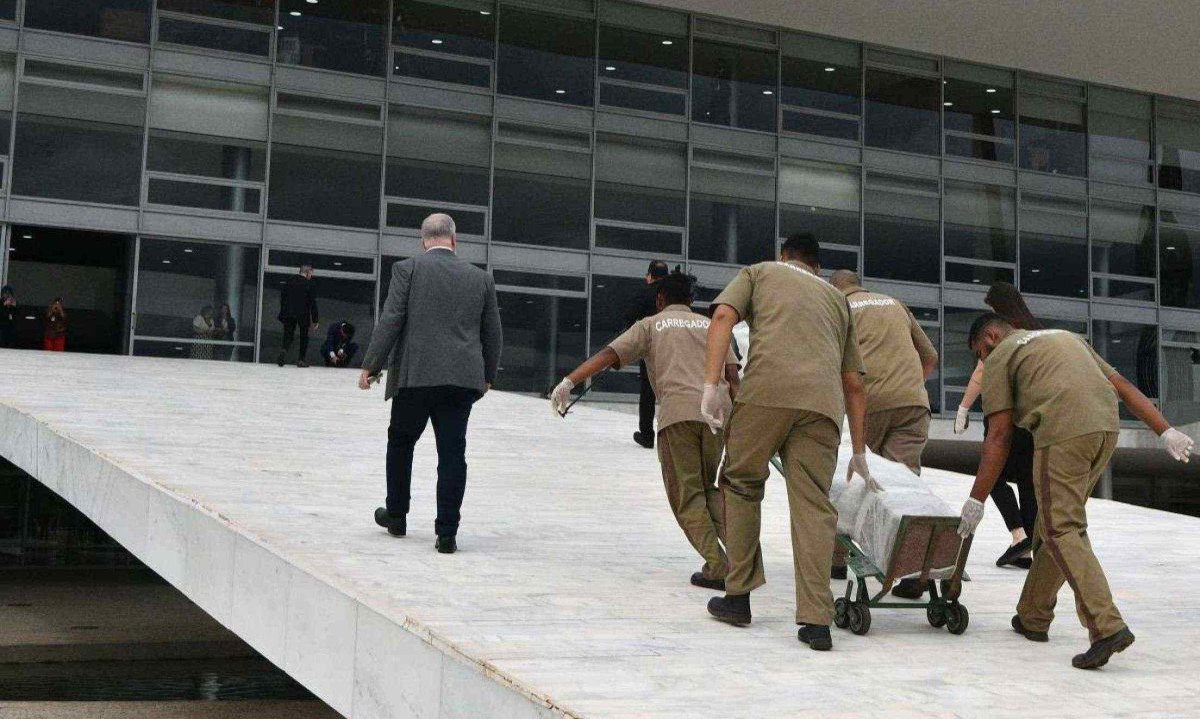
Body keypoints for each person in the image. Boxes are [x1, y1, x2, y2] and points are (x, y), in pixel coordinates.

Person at [956, 314, 1194, 670]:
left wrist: (976, 499)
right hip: (1105, 429)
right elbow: (1121, 385)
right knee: (1056, 525)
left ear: (991, 336)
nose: (982, 361)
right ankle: (1033, 616)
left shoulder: (1001, 356)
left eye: (980, 352)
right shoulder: (1064, 337)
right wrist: (1164, 430)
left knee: (1060, 528)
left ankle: (1106, 627)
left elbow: (999, 436)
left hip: (1063, 429)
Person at [700, 233, 873, 652]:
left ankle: (738, 597)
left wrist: (711, 385)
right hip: (823, 408)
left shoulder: (761, 272)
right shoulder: (837, 299)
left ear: (784, 256)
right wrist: (859, 450)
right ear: (816, 265)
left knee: (741, 483)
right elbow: (853, 381)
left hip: (766, 394)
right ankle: (817, 622)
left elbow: (723, 317)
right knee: (814, 507)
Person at [550, 270, 741, 590]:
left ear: (660, 299)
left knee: (686, 496)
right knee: (709, 489)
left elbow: (609, 355)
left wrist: (570, 381)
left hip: (677, 417)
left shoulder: (652, 325)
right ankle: (742, 560)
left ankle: (718, 565)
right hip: (717, 419)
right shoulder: (713, 326)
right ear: (691, 301)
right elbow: (734, 379)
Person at [359, 214, 502, 555]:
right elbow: (493, 332)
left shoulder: (407, 270)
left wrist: (371, 365)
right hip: (460, 380)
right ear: (454, 240)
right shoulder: (481, 279)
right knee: (452, 452)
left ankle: (396, 516)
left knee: (401, 441)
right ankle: (447, 533)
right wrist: (487, 375)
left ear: (423, 241)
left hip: (415, 376)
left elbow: (392, 319)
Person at [829, 270, 939, 598]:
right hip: (914, 403)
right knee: (905, 487)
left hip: (868, 403)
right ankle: (915, 572)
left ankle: (835, 558)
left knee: (847, 481)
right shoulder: (895, 303)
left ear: (835, 288)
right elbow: (930, 357)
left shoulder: (838, 307)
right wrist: (908, 386)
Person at [954, 282, 1042, 569]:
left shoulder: (1002, 334)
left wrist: (963, 407)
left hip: (1003, 411)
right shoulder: (1033, 327)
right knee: (1028, 483)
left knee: (992, 475)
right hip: (1030, 418)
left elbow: (983, 371)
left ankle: (1019, 536)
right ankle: (1030, 547)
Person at [626, 259, 670, 449]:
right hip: (674, 346)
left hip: (652, 347)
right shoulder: (674, 293)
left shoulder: (645, 292)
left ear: (650, 276)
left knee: (648, 392)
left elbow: (630, 317)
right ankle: (671, 435)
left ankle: (647, 435)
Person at [277, 265, 318, 368]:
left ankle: (284, 350)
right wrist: (315, 320)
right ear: (307, 272)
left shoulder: (289, 281)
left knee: (288, 334)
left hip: (288, 312)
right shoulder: (309, 284)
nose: (311, 276)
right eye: (311, 274)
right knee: (304, 336)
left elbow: (283, 298)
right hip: (303, 314)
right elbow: (312, 303)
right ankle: (301, 360)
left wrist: (283, 313)